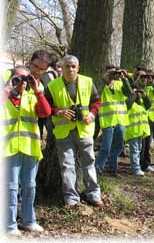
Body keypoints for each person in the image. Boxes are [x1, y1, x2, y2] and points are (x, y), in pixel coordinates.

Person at [44, 55, 103, 207]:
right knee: (67, 166)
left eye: (73, 66)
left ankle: (94, 195)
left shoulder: (87, 82)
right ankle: (71, 199)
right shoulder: (52, 85)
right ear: (61, 68)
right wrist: (58, 112)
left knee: (89, 162)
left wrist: (92, 114)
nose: (70, 69)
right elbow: (46, 106)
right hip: (63, 132)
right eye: (67, 66)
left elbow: (97, 101)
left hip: (84, 130)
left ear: (78, 68)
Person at [1, 66, 51, 235]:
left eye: (25, 79)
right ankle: (9, 224)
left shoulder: (31, 97)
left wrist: (38, 91)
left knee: (30, 186)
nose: (22, 82)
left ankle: (29, 221)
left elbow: (45, 112)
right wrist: (7, 89)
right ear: (11, 79)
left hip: (30, 147)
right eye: (17, 78)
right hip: (9, 149)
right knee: (11, 187)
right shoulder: (5, 97)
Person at [95, 66, 132, 176]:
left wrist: (124, 78)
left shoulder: (119, 84)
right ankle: (97, 169)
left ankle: (112, 169)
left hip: (120, 120)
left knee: (118, 147)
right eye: (110, 72)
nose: (113, 75)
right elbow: (97, 94)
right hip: (108, 121)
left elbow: (129, 93)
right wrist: (107, 79)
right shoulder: (101, 85)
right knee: (105, 147)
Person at [124, 80, 151, 176]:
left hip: (141, 131)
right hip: (133, 131)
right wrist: (133, 94)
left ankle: (136, 167)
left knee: (138, 150)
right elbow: (127, 105)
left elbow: (148, 105)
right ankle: (135, 169)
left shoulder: (141, 102)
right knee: (135, 150)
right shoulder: (128, 100)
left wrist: (145, 96)